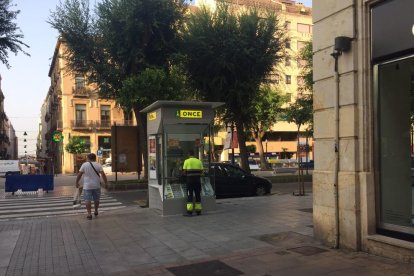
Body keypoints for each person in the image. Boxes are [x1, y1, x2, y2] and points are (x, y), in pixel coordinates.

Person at [76, 153, 108, 220]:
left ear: (88, 158)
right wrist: (106, 182)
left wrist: (77, 182)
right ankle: (96, 211)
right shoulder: (98, 165)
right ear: (95, 158)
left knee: (88, 200)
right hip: (96, 185)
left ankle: (89, 214)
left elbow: (79, 174)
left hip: (87, 186)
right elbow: (103, 174)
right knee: (96, 199)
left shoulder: (84, 165)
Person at [183, 149, 204, 216]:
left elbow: (184, 172)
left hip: (190, 182)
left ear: (189, 154)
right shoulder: (199, 161)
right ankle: (198, 211)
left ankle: (189, 212)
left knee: (190, 195)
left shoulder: (186, 161)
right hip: (197, 182)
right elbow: (202, 172)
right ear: (194, 154)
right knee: (198, 195)